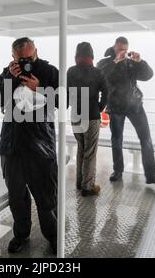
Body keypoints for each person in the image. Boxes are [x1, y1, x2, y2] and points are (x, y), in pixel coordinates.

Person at [0, 37, 58, 254]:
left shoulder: (49, 71)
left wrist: (40, 88)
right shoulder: (8, 72)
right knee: (17, 197)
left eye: (30, 57)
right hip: (11, 146)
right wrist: (9, 76)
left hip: (41, 146)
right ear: (14, 57)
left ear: (36, 51)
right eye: (22, 59)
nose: (27, 61)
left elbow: (63, 101)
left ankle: (53, 235)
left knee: (46, 196)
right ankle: (21, 234)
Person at [97, 36, 155, 185]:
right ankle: (118, 171)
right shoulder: (105, 62)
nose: (123, 52)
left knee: (146, 138)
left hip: (135, 106)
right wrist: (115, 62)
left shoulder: (131, 63)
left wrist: (140, 62)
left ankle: (151, 175)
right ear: (114, 47)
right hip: (116, 107)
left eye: (125, 50)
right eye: (121, 49)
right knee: (116, 140)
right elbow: (101, 76)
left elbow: (148, 76)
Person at [67, 42, 108, 197]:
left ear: (76, 56)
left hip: (76, 115)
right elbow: (106, 92)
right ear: (91, 56)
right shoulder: (97, 72)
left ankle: (80, 182)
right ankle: (87, 187)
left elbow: (64, 91)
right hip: (91, 116)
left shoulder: (71, 71)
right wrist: (99, 107)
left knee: (81, 149)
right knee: (90, 152)